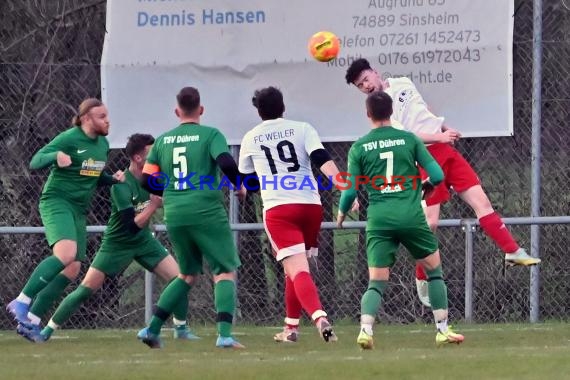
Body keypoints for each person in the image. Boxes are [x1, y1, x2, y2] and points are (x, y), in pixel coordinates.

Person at [345, 58, 540, 307]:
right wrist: (440, 136)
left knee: (482, 203)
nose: (366, 86)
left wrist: (444, 127)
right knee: (431, 222)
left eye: (365, 79)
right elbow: (409, 136)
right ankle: (421, 276)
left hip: (446, 150)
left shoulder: (403, 82)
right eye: (360, 86)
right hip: (427, 157)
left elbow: (424, 111)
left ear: (375, 73)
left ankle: (512, 251)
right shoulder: (381, 108)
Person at [17, 134, 199, 342]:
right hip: (117, 243)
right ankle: (46, 331)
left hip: (144, 241)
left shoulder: (156, 179)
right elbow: (131, 226)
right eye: (152, 153)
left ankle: (181, 329)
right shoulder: (121, 184)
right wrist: (153, 206)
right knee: (85, 290)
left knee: (180, 279)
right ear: (138, 158)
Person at [337, 91, 464, 348]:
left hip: (380, 219)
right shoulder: (409, 139)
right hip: (411, 216)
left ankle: (365, 331)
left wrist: (341, 214)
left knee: (376, 282)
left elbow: (350, 191)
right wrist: (426, 186)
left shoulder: (359, 146)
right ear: (391, 111)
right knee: (434, 273)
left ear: (368, 114)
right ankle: (442, 330)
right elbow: (438, 175)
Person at [136, 87, 245, 349]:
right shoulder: (210, 135)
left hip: (175, 212)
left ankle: (151, 330)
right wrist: (239, 185)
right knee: (224, 270)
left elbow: (147, 179)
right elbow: (226, 163)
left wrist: (171, 193)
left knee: (186, 275)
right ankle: (225, 335)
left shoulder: (162, 141)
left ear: (177, 111)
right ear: (201, 109)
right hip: (206, 210)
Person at [7, 98, 125, 330]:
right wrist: (55, 157)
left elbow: (92, 174)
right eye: (102, 116)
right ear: (85, 119)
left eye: (107, 115)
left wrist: (112, 179)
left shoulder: (102, 144)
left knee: (72, 268)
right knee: (66, 253)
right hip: (57, 202)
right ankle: (21, 301)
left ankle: (31, 320)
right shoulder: (69, 138)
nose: (107, 120)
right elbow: (35, 161)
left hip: (78, 210)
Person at [238, 86, 342, 343]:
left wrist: (243, 189)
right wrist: (343, 185)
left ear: (259, 112)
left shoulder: (251, 137)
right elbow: (321, 158)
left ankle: (320, 318)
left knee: (297, 269)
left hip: (279, 209)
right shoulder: (302, 128)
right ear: (283, 107)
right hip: (310, 207)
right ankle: (291, 328)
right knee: (293, 269)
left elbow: (245, 183)